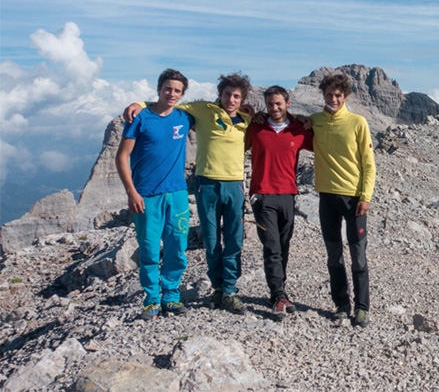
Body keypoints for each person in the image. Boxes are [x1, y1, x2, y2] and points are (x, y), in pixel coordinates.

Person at [125, 72, 253, 315]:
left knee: (235, 239)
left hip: (234, 185)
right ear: (220, 94)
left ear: (242, 99)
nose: (231, 99)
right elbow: (166, 105)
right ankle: (216, 289)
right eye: (227, 94)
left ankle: (230, 289)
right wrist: (138, 104)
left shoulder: (247, 119)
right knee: (212, 240)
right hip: (206, 183)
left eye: (236, 96)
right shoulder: (202, 109)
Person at [116, 69, 194, 321]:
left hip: (177, 193)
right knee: (149, 248)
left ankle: (170, 296)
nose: (172, 94)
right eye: (168, 88)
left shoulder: (184, 118)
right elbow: (122, 156)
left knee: (177, 247)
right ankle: (151, 299)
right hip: (146, 195)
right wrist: (131, 191)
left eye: (177, 91)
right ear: (159, 88)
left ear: (183, 94)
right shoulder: (141, 118)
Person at [309, 73, 376, 328]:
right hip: (327, 198)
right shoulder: (315, 121)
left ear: (345, 96)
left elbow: (369, 165)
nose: (333, 99)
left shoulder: (358, 122)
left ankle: (362, 307)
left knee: (358, 256)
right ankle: (341, 304)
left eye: (338, 95)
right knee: (333, 255)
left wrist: (365, 197)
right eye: (329, 95)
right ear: (323, 95)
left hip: (354, 199)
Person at [245, 85, 313, 321]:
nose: (274, 108)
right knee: (271, 246)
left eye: (278, 104)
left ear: (287, 103)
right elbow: (233, 141)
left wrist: (310, 122)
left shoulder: (299, 129)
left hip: (288, 195)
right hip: (262, 196)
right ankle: (278, 295)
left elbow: (325, 146)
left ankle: (278, 291)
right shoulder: (256, 127)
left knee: (283, 245)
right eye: (270, 104)